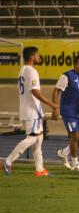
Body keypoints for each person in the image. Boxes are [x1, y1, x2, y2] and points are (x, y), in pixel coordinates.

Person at [1, 46, 58, 177]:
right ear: (32, 56)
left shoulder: (22, 70)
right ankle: (8, 161)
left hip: (29, 109)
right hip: (32, 110)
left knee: (39, 138)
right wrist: (52, 105)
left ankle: (40, 169)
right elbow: (35, 92)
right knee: (32, 138)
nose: (39, 57)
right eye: (37, 55)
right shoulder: (32, 71)